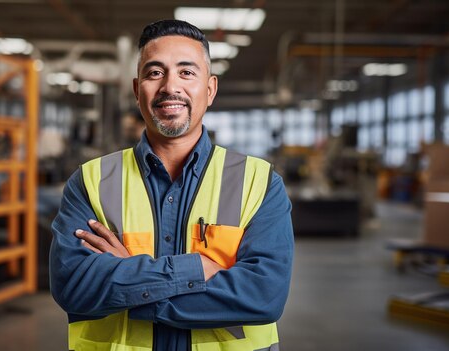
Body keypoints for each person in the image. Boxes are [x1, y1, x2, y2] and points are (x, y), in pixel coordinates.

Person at [50, 19, 294, 351]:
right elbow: (74, 286)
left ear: (210, 90)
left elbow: (264, 296)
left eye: (186, 72)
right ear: (137, 91)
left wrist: (129, 282)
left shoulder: (259, 183)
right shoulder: (91, 182)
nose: (170, 87)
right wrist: (197, 269)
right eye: (154, 73)